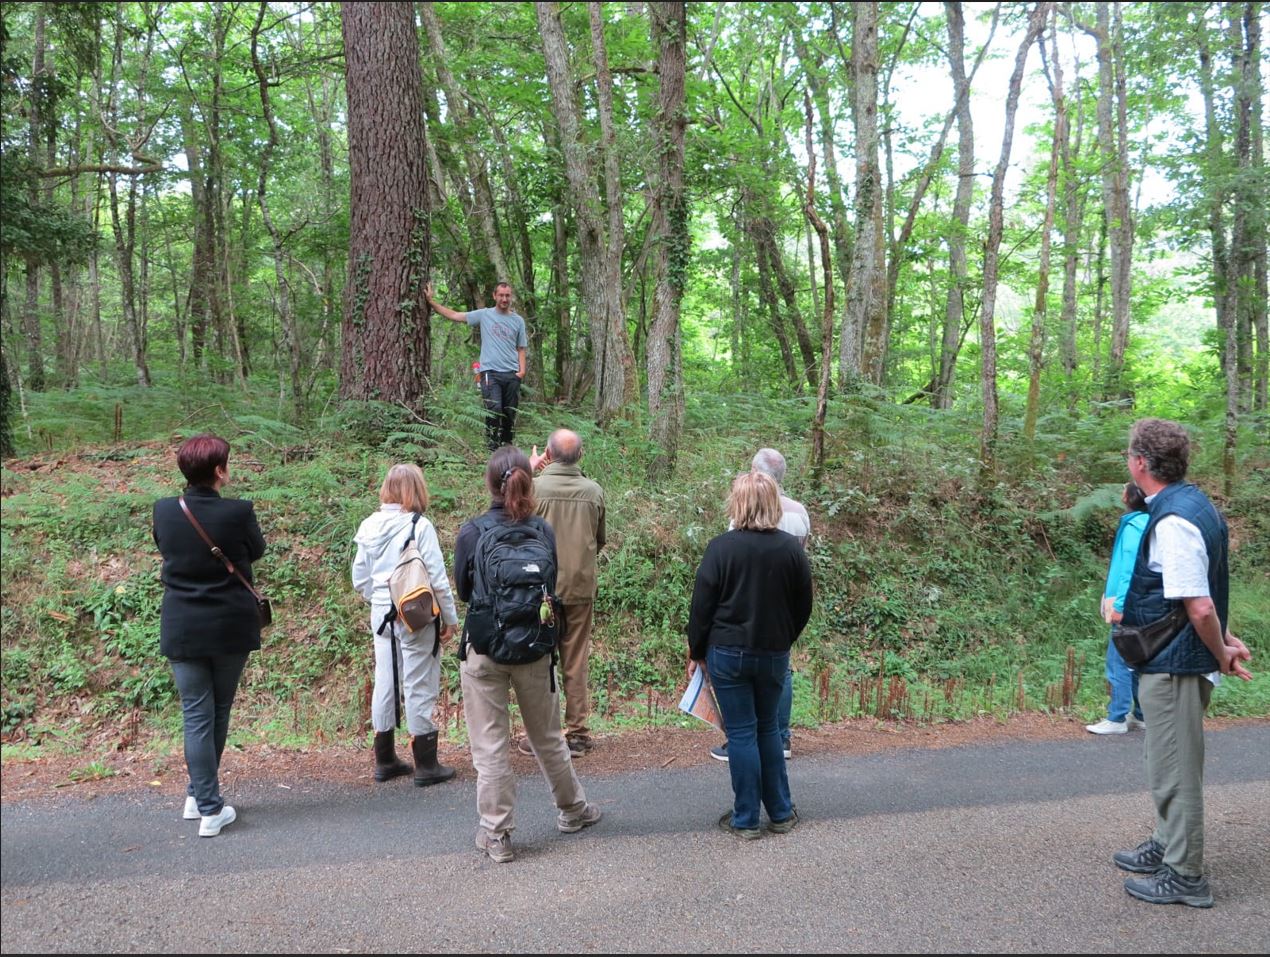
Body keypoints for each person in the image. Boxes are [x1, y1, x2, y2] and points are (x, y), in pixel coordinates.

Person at [1113, 418, 1252, 908]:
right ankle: (1166, 842)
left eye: (1129, 455)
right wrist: (1225, 639)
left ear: (1141, 463)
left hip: (1176, 667)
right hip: (1176, 658)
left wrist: (1221, 651)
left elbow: (1200, 606)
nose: (1128, 462)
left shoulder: (1172, 520)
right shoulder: (1192, 504)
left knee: (1175, 770)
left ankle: (1185, 874)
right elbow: (1197, 592)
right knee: (1164, 761)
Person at [454, 446, 602, 863]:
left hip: (485, 649)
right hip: (535, 647)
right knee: (548, 737)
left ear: (489, 484)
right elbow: (550, 583)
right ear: (528, 482)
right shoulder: (542, 530)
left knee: (490, 746)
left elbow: (465, 591)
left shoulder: (472, 532)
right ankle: (573, 810)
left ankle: (496, 834)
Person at [688, 470, 813, 839]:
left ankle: (745, 819)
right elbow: (803, 605)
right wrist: (784, 638)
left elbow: (702, 607)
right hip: (773, 653)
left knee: (742, 732)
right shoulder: (791, 549)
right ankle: (780, 813)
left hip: (727, 653)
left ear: (738, 504)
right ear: (773, 503)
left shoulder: (720, 548)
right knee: (768, 728)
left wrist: (697, 651)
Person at [152, 434, 266, 838]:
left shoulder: (164, 510)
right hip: (229, 625)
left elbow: (167, 549)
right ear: (220, 470)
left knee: (196, 714)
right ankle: (211, 810)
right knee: (216, 711)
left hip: (182, 625)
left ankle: (198, 796)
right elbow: (257, 550)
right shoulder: (238, 511)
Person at [352, 464, 459, 786]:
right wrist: (450, 618)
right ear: (416, 490)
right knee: (418, 681)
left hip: (381, 613)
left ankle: (385, 760)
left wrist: (379, 598)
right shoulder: (419, 525)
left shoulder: (369, 524)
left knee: (385, 679)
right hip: (415, 613)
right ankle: (426, 765)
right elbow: (437, 579)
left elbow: (359, 578)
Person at [711, 447, 810, 764]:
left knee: (744, 676)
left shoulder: (741, 515)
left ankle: (745, 739)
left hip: (744, 608)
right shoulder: (800, 513)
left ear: (755, 473)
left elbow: (733, 560)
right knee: (782, 670)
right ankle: (781, 737)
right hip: (783, 609)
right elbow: (802, 559)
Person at [522, 429, 606, 757]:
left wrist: (527, 469)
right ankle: (578, 734)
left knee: (540, 660)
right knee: (576, 660)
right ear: (580, 455)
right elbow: (599, 540)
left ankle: (543, 735)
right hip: (580, 588)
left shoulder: (533, 489)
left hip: (540, 589)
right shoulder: (593, 491)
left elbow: (514, 528)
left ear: (547, 453)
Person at [425, 282, 528, 450]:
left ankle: (507, 446)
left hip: (511, 373)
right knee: (494, 408)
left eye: (507, 295)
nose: (504, 299)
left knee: (510, 412)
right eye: (501, 295)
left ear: (511, 297)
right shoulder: (484, 315)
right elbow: (455, 315)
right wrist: (431, 302)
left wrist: (521, 371)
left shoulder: (518, 321)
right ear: (494, 296)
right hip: (490, 372)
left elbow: (521, 348)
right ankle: (492, 446)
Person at [1086, 482, 1150, 735]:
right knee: (1136, 659)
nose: (1121, 494)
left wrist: (1120, 604)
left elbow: (1128, 570)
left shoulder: (1134, 525)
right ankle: (1141, 715)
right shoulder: (1147, 522)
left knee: (1119, 660)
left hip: (1127, 604)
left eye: (1125, 489)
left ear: (1130, 497)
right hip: (1140, 602)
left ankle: (1117, 717)